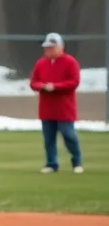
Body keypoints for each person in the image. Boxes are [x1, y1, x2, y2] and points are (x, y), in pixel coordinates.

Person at [29, 32, 83, 174]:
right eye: (47, 48)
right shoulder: (40, 63)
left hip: (64, 108)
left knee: (68, 135)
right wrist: (42, 86)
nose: (49, 50)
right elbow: (34, 82)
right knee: (49, 138)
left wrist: (55, 86)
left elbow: (74, 82)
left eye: (52, 47)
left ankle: (76, 161)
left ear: (61, 47)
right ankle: (52, 163)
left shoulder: (70, 62)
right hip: (47, 108)